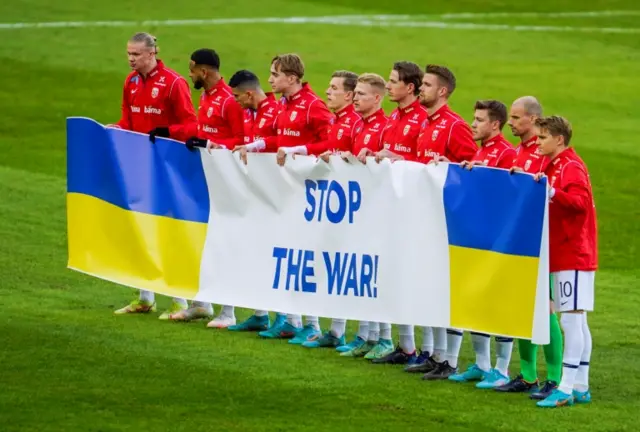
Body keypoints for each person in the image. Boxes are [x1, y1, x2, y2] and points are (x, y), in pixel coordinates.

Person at [234, 53, 334, 344]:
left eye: (275, 75)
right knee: (286, 253)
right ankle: (292, 320)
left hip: (306, 192)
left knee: (304, 256)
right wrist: (257, 144)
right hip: (284, 189)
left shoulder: (313, 106)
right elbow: (282, 139)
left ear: (291, 78)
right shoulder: (282, 104)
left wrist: (299, 151)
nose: (270, 80)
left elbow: (331, 142)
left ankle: (312, 324)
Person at [110, 32, 196, 320]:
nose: (131, 59)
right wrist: (116, 129)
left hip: (168, 169)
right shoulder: (130, 82)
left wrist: (166, 133)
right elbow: (128, 120)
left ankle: (179, 300)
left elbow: (191, 125)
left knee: (168, 232)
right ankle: (144, 297)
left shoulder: (173, 83)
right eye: (128, 54)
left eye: (136, 54)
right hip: (138, 166)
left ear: (152, 53)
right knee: (139, 228)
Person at [166, 48, 245, 329]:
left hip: (225, 183)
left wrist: (208, 143)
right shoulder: (206, 96)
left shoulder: (229, 100)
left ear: (204, 71)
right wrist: (182, 135)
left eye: (192, 69)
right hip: (205, 178)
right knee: (204, 241)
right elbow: (204, 130)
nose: (189, 74)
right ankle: (202, 304)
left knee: (223, 242)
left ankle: (228, 311)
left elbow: (239, 139)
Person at [495, 97, 563, 400]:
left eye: (516, 117)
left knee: (545, 309)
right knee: (521, 308)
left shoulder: (545, 153)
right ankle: (527, 375)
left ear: (534, 120)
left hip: (542, 242)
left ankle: (556, 377)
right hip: (519, 240)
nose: (511, 122)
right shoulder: (519, 152)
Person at [412, 65, 477, 381]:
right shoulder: (426, 124)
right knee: (431, 287)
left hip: (448, 222)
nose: (419, 89)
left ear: (442, 92)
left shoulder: (454, 126)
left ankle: (450, 361)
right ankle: (437, 355)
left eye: (426, 85)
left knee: (448, 289)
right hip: (426, 218)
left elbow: (472, 171)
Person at [362, 61, 429, 365]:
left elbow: (432, 164)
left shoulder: (422, 120)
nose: (388, 86)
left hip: (415, 211)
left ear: (409, 87)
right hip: (390, 208)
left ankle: (428, 351)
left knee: (416, 278)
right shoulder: (393, 118)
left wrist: (398, 157)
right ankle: (406, 346)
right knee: (392, 274)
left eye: (392, 81)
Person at [449, 100, 517, 389]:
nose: (472, 124)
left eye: (478, 120)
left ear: (495, 124)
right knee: (475, 298)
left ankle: (501, 369)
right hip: (477, 237)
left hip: (498, 240)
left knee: (497, 303)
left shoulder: (506, 153)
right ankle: (481, 363)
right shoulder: (482, 151)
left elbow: (511, 195)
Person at [531, 116, 597, 408]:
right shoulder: (555, 165)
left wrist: (554, 192)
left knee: (571, 320)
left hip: (574, 252)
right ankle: (580, 385)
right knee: (577, 321)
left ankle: (566, 388)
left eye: (543, 137)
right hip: (563, 251)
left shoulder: (571, 166)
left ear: (559, 139)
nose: (538, 141)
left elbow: (581, 204)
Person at [334, 73, 392, 359]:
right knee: (361, 274)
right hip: (359, 211)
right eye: (354, 93)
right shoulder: (360, 125)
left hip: (380, 212)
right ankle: (365, 336)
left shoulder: (384, 126)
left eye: (361, 94)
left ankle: (386, 339)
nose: (355, 98)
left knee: (377, 274)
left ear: (377, 98)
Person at [223, 69, 284, 332]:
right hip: (253, 190)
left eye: (237, 96)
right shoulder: (248, 113)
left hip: (277, 192)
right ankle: (260, 313)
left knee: (277, 254)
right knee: (254, 251)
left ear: (249, 93)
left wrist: (257, 147)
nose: (234, 100)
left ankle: (285, 317)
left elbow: (283, 141)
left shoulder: (275, 110)